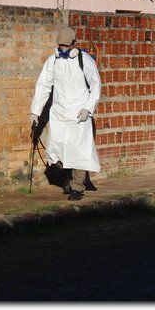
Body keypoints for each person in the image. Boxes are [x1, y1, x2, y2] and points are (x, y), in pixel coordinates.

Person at [30, 25, 101, 200]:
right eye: (61, 45)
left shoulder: (84, 60)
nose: (63, 49)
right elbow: (43, 86)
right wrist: (35, 111)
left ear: (74, 44)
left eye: (66, 46)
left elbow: (96, 85)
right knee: (58, 151)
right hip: (59, 114)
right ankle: (68, 180)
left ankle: (77, 187)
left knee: (78, 151)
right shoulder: (53, 61)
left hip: (78, 115)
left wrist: (87, 108)